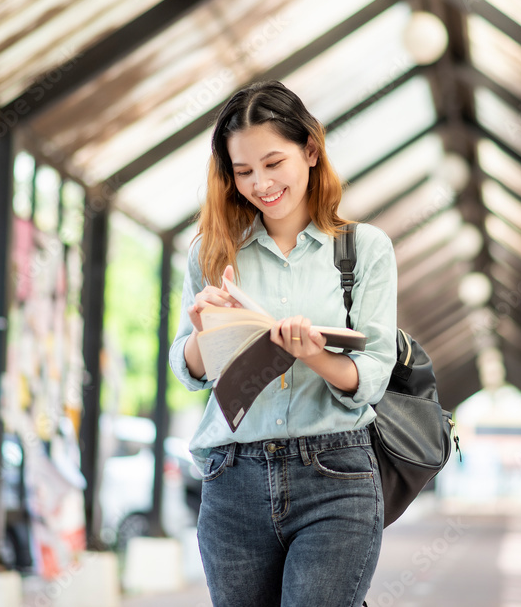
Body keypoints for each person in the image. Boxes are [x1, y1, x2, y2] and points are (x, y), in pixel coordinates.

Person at [168, 80, 398, 607]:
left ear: (311, 151)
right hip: (233, 478)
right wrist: (205, 331)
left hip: (334, 475)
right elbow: (189, 369)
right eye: (243, 171)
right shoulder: (211, 250)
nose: (261, 183)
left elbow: (371, 375)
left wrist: (311, 352)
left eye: (274, 163)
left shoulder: (363, 251)